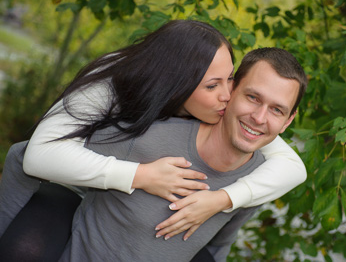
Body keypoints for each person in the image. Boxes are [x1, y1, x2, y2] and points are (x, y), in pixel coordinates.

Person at [0, 20, 305, 260]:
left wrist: (222, 199)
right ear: (178, 85)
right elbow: (31, 156)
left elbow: (288, 161)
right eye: (213, 85)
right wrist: (141, 175)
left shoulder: (246, 131)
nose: (227, 95)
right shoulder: (117, 91)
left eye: (229, 80)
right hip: (74, 194)